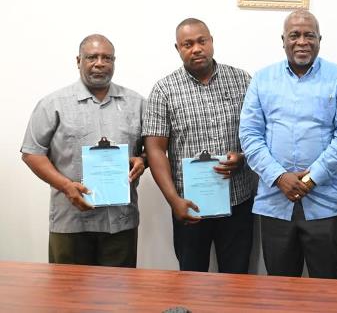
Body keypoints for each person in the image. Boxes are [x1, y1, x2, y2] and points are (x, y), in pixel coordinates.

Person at [239, 10, 337, 279]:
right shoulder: (262, 79)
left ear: (320, 39)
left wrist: (311, 178)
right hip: (275, 199)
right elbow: (249, 134)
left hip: (325, 200)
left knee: (326, 282)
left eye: (309, 35)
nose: (302, 41)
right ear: (283, 40)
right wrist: (279, 176)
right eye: (294, 35)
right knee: (280, 286)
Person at [20, 34, 146, 267]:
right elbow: (31, 153)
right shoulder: (53, 104)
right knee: (69, 296)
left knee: (120, 296)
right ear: (78, 60)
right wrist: (67, 186)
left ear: (114, 61)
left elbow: (150, 151)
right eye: (92, 57)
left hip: (120, 222)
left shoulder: (136, 103)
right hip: (71, 222)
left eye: (106, 58)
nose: (100, 63)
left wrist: (142, 161)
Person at [143, 18, 254, 274]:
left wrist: (243, 157)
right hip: (189, 206)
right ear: (178, 48)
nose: (196, 48)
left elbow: (259, 133)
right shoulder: (164, 90)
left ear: (211, 41)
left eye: (201, 41)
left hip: (237, 201)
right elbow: (155, 149)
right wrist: (173, 200)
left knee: (237, 280)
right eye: (187, 44)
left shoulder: (242, 81)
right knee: (191, 281)